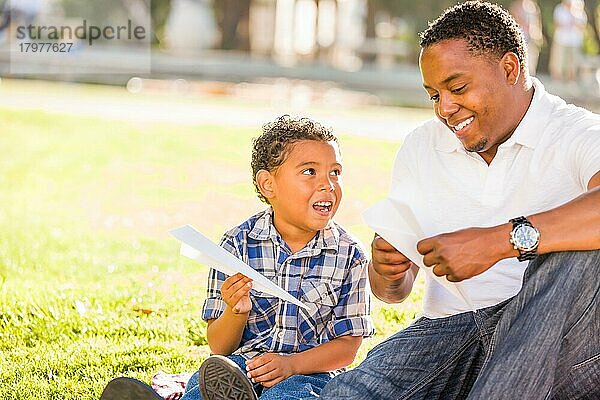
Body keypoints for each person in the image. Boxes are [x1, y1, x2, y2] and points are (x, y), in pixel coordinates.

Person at [315, 2, 599, 399]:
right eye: (434, 94)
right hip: (451, 330)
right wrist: (389, 273)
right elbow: (393, 293)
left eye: (458, 88)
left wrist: (499, 242)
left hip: (555, 337)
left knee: (584, 250)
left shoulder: (575, 133)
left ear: (509, 69)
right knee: (345, 396)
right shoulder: (422, 146)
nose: (444, 109)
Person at [99, 115, 374, 400]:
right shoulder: (236, 244)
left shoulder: (349, 253)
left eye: (335, 172)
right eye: (309, 172)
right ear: (268, 185)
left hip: (308, 374)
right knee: (203, 387)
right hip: (239, 367)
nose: (328, 184)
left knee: (285, 397)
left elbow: (347, 347)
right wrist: (236, 310)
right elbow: (220, 346)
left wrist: (291, 365)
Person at [550, 0, 588, 82]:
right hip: (561, 39)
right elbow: (556, 24)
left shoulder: (579, 10)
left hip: (574, 41)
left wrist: (573, 18)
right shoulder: (559, 9)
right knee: (558, 60)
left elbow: (582, 26)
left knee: (572, 62)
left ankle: (570, 80)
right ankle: (557, 80)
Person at [510, 0, 543, 75]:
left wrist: (538, 33)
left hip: (531, 36)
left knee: (532, 59)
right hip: (521, 36)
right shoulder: (516, 6)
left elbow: (537, 21)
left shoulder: (532, 6)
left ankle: (530, 76)